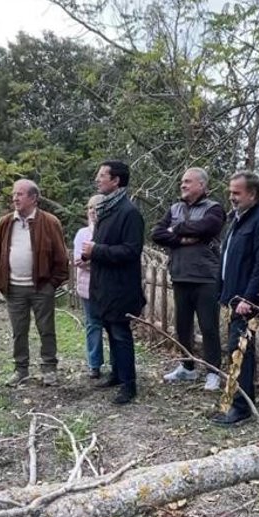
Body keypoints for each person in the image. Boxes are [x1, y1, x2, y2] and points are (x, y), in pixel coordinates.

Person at [212, 170, 259, 426]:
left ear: (252, 194)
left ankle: (241, 407)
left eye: (236, 193)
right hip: (233, 298)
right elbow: (228, 259)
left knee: (241, 351)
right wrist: (222, 292)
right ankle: (233, 402)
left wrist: (249, 299)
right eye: (230, 192)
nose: (232, 197)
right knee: (234, 351)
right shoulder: (238, 219)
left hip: (246, 302)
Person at [150, 167, 226, 391]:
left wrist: (176, 229)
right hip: (180, 275)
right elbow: (156, 233)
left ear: (201, 185)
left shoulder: (214, 208)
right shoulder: (174, 208)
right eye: (182, 181)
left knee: (208, 326)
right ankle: (187, 367)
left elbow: (207, 227)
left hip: (206, 277)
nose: (182, 185)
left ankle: (213, 372)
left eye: (188, 181)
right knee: (182, 326)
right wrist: (182, 239)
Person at [0, 179, 69, 387]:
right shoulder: (6, 222)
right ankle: (21, 370)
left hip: (41, 287)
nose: (15, 198)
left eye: (20, 194)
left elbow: (61, 257)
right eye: (14, 194)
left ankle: (49, 369)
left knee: (46, 329)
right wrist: (1, 277)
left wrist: (52, 284)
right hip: (14, 288)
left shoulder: (50, 222)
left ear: (34, 198)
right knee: (19, 331)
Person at [82, 160, 145, 405]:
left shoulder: (129, 213)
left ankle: (129, 385)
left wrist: (97, 250)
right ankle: (117, 374)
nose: (97, 179)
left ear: (116, 180)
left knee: (120, 334)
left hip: (121, 288)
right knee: (110, 331)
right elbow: (103, 245)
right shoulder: (107, 209)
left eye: (102, 175)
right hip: (104, 286)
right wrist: (89, 253)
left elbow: (131, 250)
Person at [73, 195, 106, 380]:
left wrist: (93, 258)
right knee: (93, 325)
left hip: (107, 287)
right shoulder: (82, 233)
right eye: (90, 208)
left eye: (97, 207)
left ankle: (116, 364)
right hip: (87, 287)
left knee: (112, 326)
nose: (93, 211)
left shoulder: (110, 232)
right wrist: (100, 259)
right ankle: (94, 364)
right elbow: (79, 261)